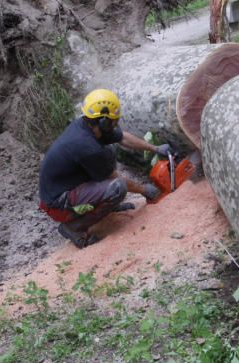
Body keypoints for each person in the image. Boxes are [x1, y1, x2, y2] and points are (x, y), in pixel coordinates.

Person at [38, 88, 172, 248]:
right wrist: (144, 190)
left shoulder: (89, 125)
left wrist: (155, 148)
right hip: (58, 203)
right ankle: (74, 227)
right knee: (117, 188)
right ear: (104, 121)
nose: (116, 124)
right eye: (113, 121)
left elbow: (122, 138)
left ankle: (103, 205)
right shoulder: (86, 146)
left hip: (66, 185)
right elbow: (114, 178)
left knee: (107, 154)